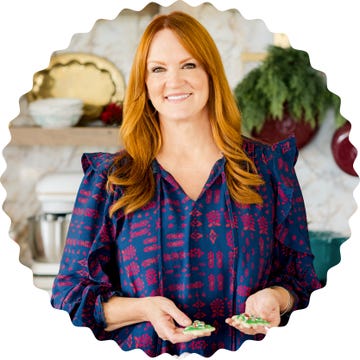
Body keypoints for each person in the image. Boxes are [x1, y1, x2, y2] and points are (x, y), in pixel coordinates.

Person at [51, 11, 322, 357]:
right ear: (145, 84)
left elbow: (301, 281)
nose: (174, 81)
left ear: (211, 73)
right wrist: (145, 308)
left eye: (189, 65)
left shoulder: (269, 170)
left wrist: (277, 300)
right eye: (158, 69)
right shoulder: (110, 179)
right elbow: (70, 297)